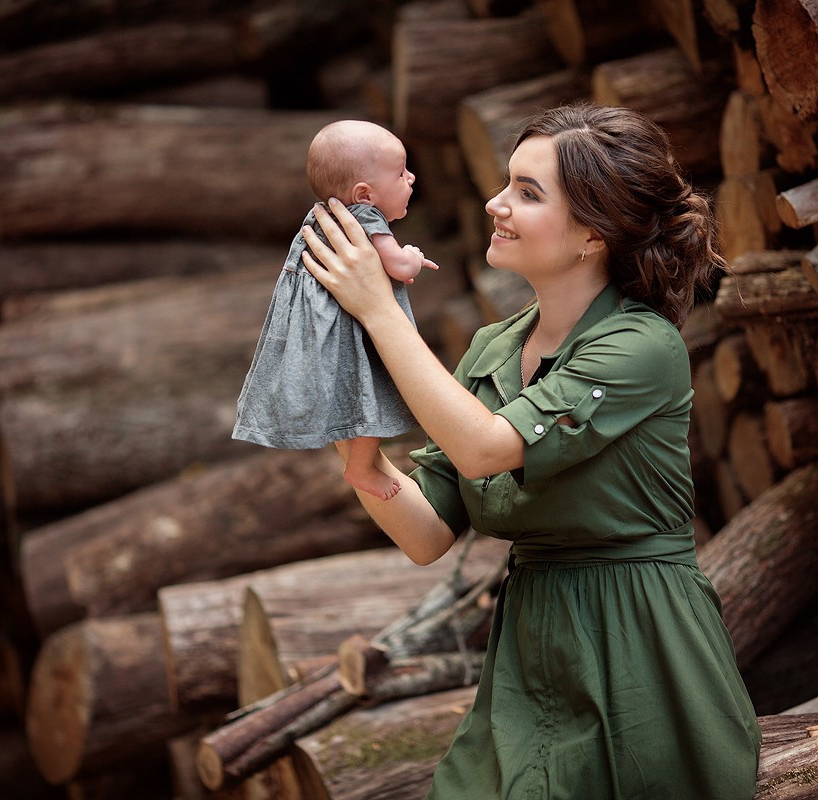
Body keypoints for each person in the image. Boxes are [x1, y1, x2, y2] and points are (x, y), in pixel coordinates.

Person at [298, 104, 761, 798]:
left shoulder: (642, 345)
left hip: (640, 646)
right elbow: (427, 534)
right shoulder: (494, 347)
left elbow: (486, 450)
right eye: (506, 183)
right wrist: (355, 439)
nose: (496, 203)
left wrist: (380, 310)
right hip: (529, 651)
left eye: (527, 192)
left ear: (593, 235)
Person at [232, 119, 438, 501]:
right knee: (372, 400)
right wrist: (413, 256)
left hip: (319, 328)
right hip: (352, 328)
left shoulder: (321, 217)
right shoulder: (367, 218)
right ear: (365, 194)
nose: (411, 178)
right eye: (401, 172)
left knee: (355, 400)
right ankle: (361, 468)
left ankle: (357, 463)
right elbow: (398, 265)